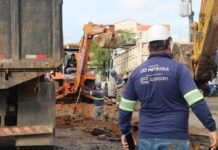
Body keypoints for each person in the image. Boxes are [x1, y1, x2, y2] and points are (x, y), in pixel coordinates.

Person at [119, 24, 217, 150]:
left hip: (147, 139)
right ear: (169, 44)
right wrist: (211, 127)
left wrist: (125, 133)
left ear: (149, 47)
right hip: (175, 138)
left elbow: (125, 108)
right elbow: (196, 102)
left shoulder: (136, 74)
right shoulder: (179, 70)